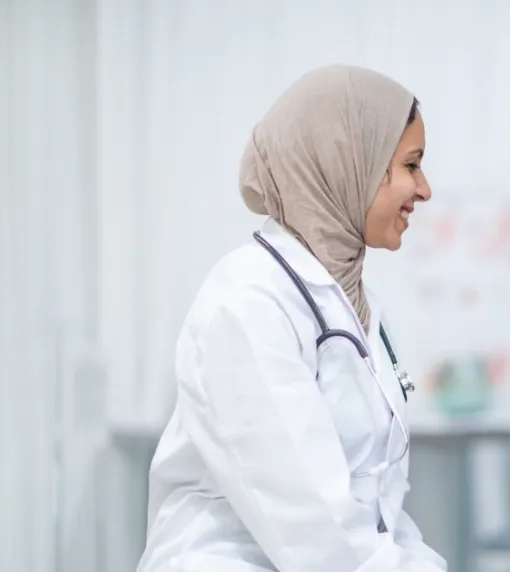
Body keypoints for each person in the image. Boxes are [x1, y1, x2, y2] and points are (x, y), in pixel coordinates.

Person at [137, 65, 447, 572]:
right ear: (351, 163)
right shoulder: (247, 303)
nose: (425, 189)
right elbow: (318, 531)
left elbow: (376, 506)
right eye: (411, 165)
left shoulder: (346, 299)